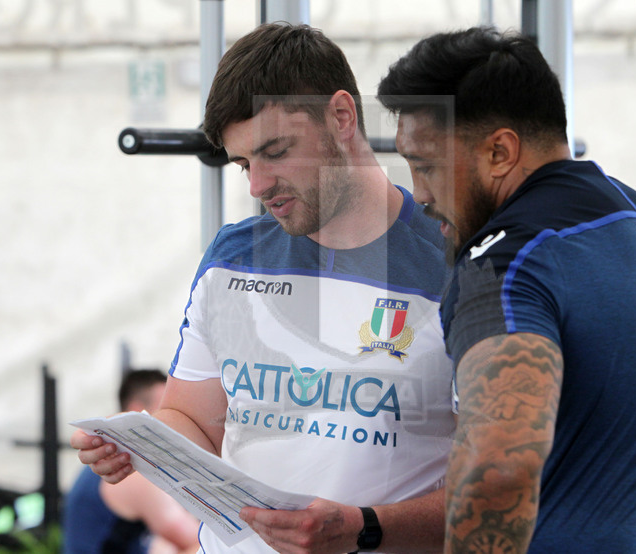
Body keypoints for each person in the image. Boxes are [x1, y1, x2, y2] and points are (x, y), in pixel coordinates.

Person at [72, 23, 456, 554]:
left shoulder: (458, 264)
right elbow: (193, 418)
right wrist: (141, 448)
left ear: (341, 118)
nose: (257, 185)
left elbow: (507, 491)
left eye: (275, 151)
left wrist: (363, 527)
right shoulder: (231, 258)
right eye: (244, 163)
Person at [376, 26, 636, 554]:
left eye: (427, 166)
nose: (419, 194)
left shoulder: (500, 264)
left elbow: (499, 468)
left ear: (500, 151)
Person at [63, 369, 200, 554]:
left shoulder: (108, 460)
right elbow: (199, 542)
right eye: (165, 411)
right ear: (137, 412)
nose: (176, 419)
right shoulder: (131, 467)